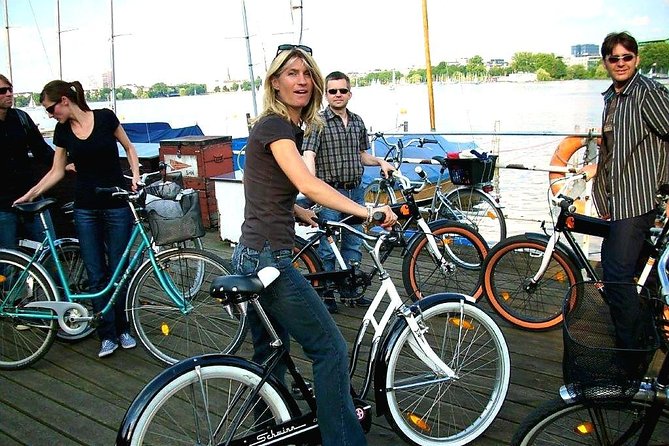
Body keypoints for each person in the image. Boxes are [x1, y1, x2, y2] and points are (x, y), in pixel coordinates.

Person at [232, 44, 396, 446]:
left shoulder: (280, 128)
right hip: (271, 259)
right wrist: (366, 212)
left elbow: (267, 189)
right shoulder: (275, 126)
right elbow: (308, 182)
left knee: (269, 355)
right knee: (330, 350)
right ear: (275, 82)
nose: (301, 80)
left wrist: (297, 213)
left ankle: (266, 432)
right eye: (291, 73)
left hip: (250, 251)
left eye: (307, 73)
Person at [15, 80, 141, 358]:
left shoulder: (106, 117)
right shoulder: (62, 131)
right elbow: (56, 171)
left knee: (118, 271)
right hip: (85, 209)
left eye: (50, 108)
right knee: (96, 274)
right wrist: (31, 194)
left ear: (64, 100)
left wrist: (134, 175)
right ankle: (106, 333)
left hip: (117, 205)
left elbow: (129, 148)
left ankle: (123, 329)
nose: (50, 115)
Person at [582, 32, 669, 353]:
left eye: (626, 57)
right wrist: (601, 195)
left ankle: (633, 353)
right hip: (617, 200)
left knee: (616, 275)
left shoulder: (649, 94)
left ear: (637, 59)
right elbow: (609, 154)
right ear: (605, 62)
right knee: (627, 271)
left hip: (640, 197)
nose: (620, 63)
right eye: (614, 58)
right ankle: (647, 330)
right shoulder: (611, 98)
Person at [302, 71, 395, 313]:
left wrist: (380, 162)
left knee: (354, 243)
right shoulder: (317, 122)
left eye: (342, 90)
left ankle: (349, 291)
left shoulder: (357, 121)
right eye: (332, 91)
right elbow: (309, 155)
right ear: (326, 94)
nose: (338, 95)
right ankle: (327, 292)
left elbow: (362, 155)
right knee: (327, 246)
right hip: (330, 194)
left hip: (355, 191)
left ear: (349, 93)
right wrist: (309, 186)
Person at [0, 74, 55, 249]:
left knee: (49, 249)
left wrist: (63, 164)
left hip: (31, 195)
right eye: (2, 91)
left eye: (10, 89)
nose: (9, 94)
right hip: (2, 204)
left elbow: (41, 150)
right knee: (7, 262)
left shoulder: (21, 118)